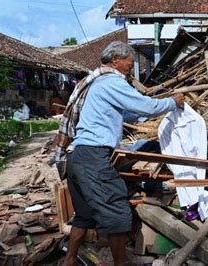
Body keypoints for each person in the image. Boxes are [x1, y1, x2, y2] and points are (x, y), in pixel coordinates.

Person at [62, 41, 184, 266]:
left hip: (76, 157)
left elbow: (125, 113)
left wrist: (148, 111)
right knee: (117, 210)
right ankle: (121, 263)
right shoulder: (111, 81)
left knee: (84, 215)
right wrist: (171, 102)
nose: (130, 71)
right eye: (129, 66)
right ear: (116, 60)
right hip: (92, 157)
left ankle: (68, 261)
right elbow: (146, 106)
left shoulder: (98, 84)